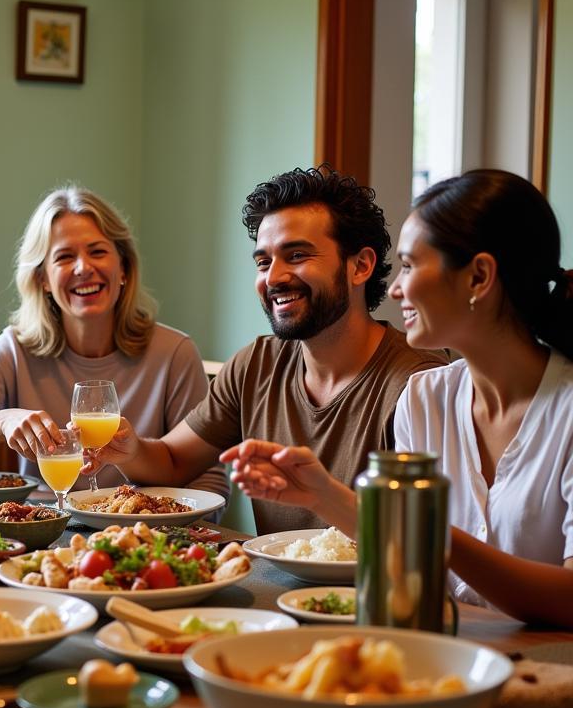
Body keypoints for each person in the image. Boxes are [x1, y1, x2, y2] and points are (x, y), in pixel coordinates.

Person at [227, 170, 573, 626]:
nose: (393, 289)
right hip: (438, 651)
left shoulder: (564, 409)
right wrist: (322, 495)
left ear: (479, 277)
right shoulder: (427, 397)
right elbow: (405, 563)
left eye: (410, 266)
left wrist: (423, 529)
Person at [92, 166, 444, 533]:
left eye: (297, 256)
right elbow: (173, 461)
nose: (273, 278)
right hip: (268, 587)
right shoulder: (256, 364)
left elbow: (423, 540)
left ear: (361, 266)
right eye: (263, 262)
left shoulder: (419, 383)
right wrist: (130, 450)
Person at [0, 186, 226, 496]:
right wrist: (2, 421)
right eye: (64, 257)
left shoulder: (174, 353)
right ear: (43, 279)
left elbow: (209, 482)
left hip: (144, 533)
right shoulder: (14, 350)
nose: (84, 268)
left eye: (97, 251)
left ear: (123, 267)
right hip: (47, 534)